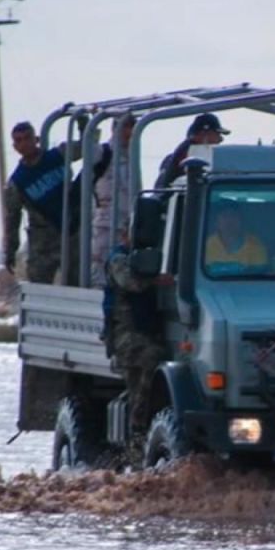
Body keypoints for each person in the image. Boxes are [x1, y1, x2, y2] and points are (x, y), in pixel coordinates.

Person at [2, 121, 82, 284]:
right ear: (14, 146)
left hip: (71, 232)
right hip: (43, 243)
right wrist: (10, 251)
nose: (24, 144)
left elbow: (87, 146)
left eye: (27, 138)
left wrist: (83, 125)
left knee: (76, 283)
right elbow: (12, 219)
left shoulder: (59, 155)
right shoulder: (17, 182)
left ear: (36, 139)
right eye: (18, 140)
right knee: (39, 285)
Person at [107, 244, 165, 450]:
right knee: (152, 357)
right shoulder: (119, 258)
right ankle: (137, 426)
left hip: (149, 333)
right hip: (126, 333)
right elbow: (129, 282)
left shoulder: (156, 253)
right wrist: (157, 280)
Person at [90, 114, 135, 287]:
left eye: (132, 126)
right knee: (100, 278)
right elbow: (89, 153)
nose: (129, 132)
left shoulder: (133, 156)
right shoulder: (104, 153)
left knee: (122, 278)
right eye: (125, 126)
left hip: (127, 228)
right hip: (105, 227)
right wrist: (90, 131)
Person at [155, 113, 230, 189]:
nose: (221, 139)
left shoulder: (188, 149)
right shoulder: (190, 152)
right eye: (217, 134)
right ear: (203, 133)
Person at [204, 200, 267, 272]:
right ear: (216, 222)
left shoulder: (256, 246)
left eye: (233, 215)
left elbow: (258, 277)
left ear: (242, 221)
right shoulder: (205, 247)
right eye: (224, 216)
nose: (229, 220)